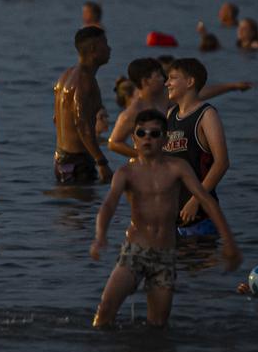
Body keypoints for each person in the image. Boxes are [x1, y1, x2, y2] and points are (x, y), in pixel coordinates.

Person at [90, 109, 242, 327]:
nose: (148, 138)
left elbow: (206, 200)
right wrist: (100, 236)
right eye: (141, 133)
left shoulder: (177, 168)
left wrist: (229, 242)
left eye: (154, 133)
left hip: (165, 255)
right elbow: (108, 205)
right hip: (135, 251)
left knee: (158, 325)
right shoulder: (126, 173)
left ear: (165, 138)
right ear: (133, 138)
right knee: (105, 313)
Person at [108, 57, 250, 158]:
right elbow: (114, 143)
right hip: (142, 167)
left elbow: (199, 93)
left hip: (166, 161)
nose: (164, 80)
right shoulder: (131, 113)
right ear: (146, 81)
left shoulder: (164, 97)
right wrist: (143, 155)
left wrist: (232, 86)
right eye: (158, 76)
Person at [163, 58, 230, 238]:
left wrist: (196, 199)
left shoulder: (206, 115)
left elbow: (222, 163)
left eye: (172, 78)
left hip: (200, 215)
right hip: (171, 216)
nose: (167, 83)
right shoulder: (171, 114)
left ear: (190, 82)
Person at [54, 27, 112, 185]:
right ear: (93, 49)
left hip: (61, 158)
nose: (109, 48)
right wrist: (101, 161)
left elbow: (55, 119)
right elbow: (82, 124)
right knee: (85, 206)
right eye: (105, 44)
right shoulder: (85, 81)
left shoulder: (66, 76)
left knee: (70, 207)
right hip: (77, 162)